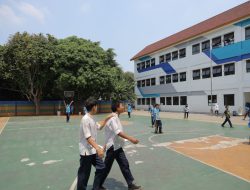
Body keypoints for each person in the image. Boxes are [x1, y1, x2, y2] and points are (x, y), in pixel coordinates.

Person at [100, 101, 142, 190]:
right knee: (106, 167)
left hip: (117, 146)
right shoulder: (112, 118)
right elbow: (118, 132)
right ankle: (98, 185)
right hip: (112, 147)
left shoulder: (116, 117)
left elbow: (111, 134)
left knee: (124, 164)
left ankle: (130, 184)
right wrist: (131, 139)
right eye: (122, 105)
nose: (124, 107)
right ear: (117, 108)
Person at [77, 97, 112, 190]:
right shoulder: (85, 119)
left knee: (101, 167)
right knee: (84, 174)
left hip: (92, 150)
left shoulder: (91, 118)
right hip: (86, 152)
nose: (97, 108)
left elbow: (99, 126)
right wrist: (98, 149)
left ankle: (96, 188)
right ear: (94, 107)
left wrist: (107, 118)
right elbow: (88, 138)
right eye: (96, 106)